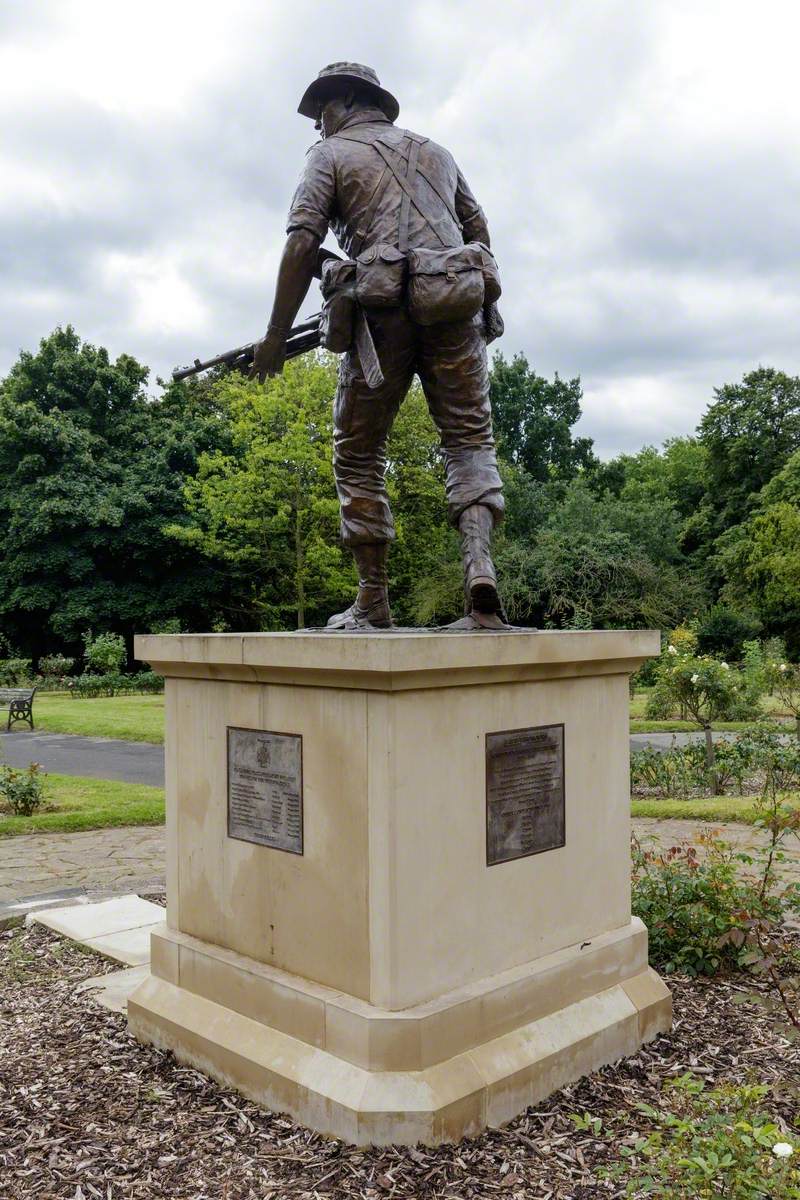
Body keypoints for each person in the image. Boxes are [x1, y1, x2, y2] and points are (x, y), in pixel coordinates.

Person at [252, 63, 507, 629]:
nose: (318, 128)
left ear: (344, 102)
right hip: (454, 307)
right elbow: (479, 233)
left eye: (321, 113)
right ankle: (479, 572)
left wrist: (274, 338)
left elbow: (301, 243)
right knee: (469, 442)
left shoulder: (331, 155)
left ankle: (373, 600)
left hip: (380, 319)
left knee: (359, 452)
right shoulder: (438, 152)